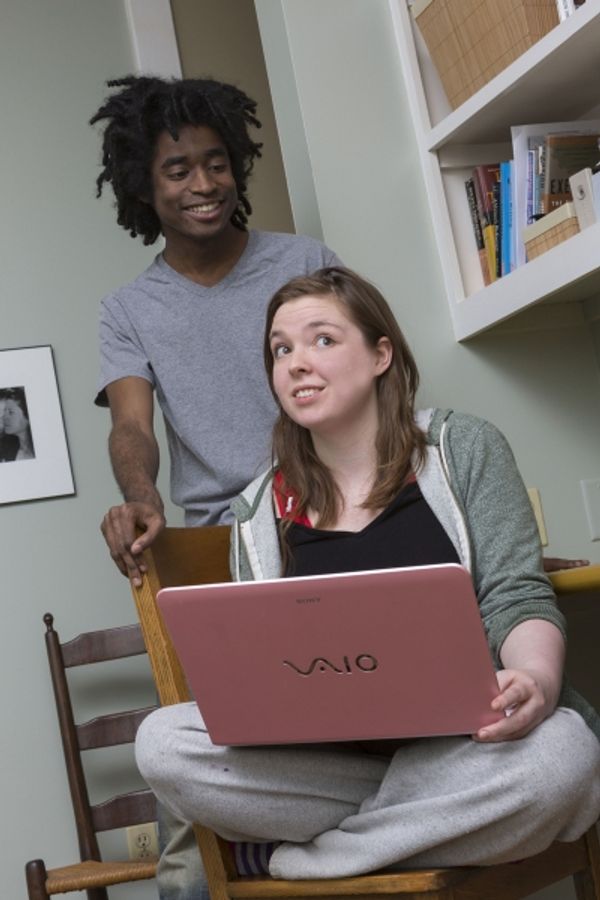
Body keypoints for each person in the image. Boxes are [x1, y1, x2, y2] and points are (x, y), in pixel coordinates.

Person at [136, 267, 600, 882]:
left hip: (472, 750)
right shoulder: (254, 512)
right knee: (163, 742)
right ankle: (436, 824)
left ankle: (306, 861)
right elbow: (264, 671)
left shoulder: (463, 448)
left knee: (560, 756)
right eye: (281, 349)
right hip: (334, 764)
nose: (297, 363)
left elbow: (516, 594)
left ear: (382, 354)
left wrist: (537, 681)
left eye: (323, 340)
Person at [90, 75, 341, 899]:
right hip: (215, 553)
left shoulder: (303, 262)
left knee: (347, 730)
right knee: (203, 760)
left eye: (215, 162)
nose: (202, 185)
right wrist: (143, 496)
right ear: (143, 185)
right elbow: (132, 424)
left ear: (237, 165)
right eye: (176, 170)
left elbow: (358, 378)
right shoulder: (131, 308)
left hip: (329, 523)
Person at [2, 388, 35, 461]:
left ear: (27, 417)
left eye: (11, 412)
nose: (4, 417)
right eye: (5, 412)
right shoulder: (5, 448)